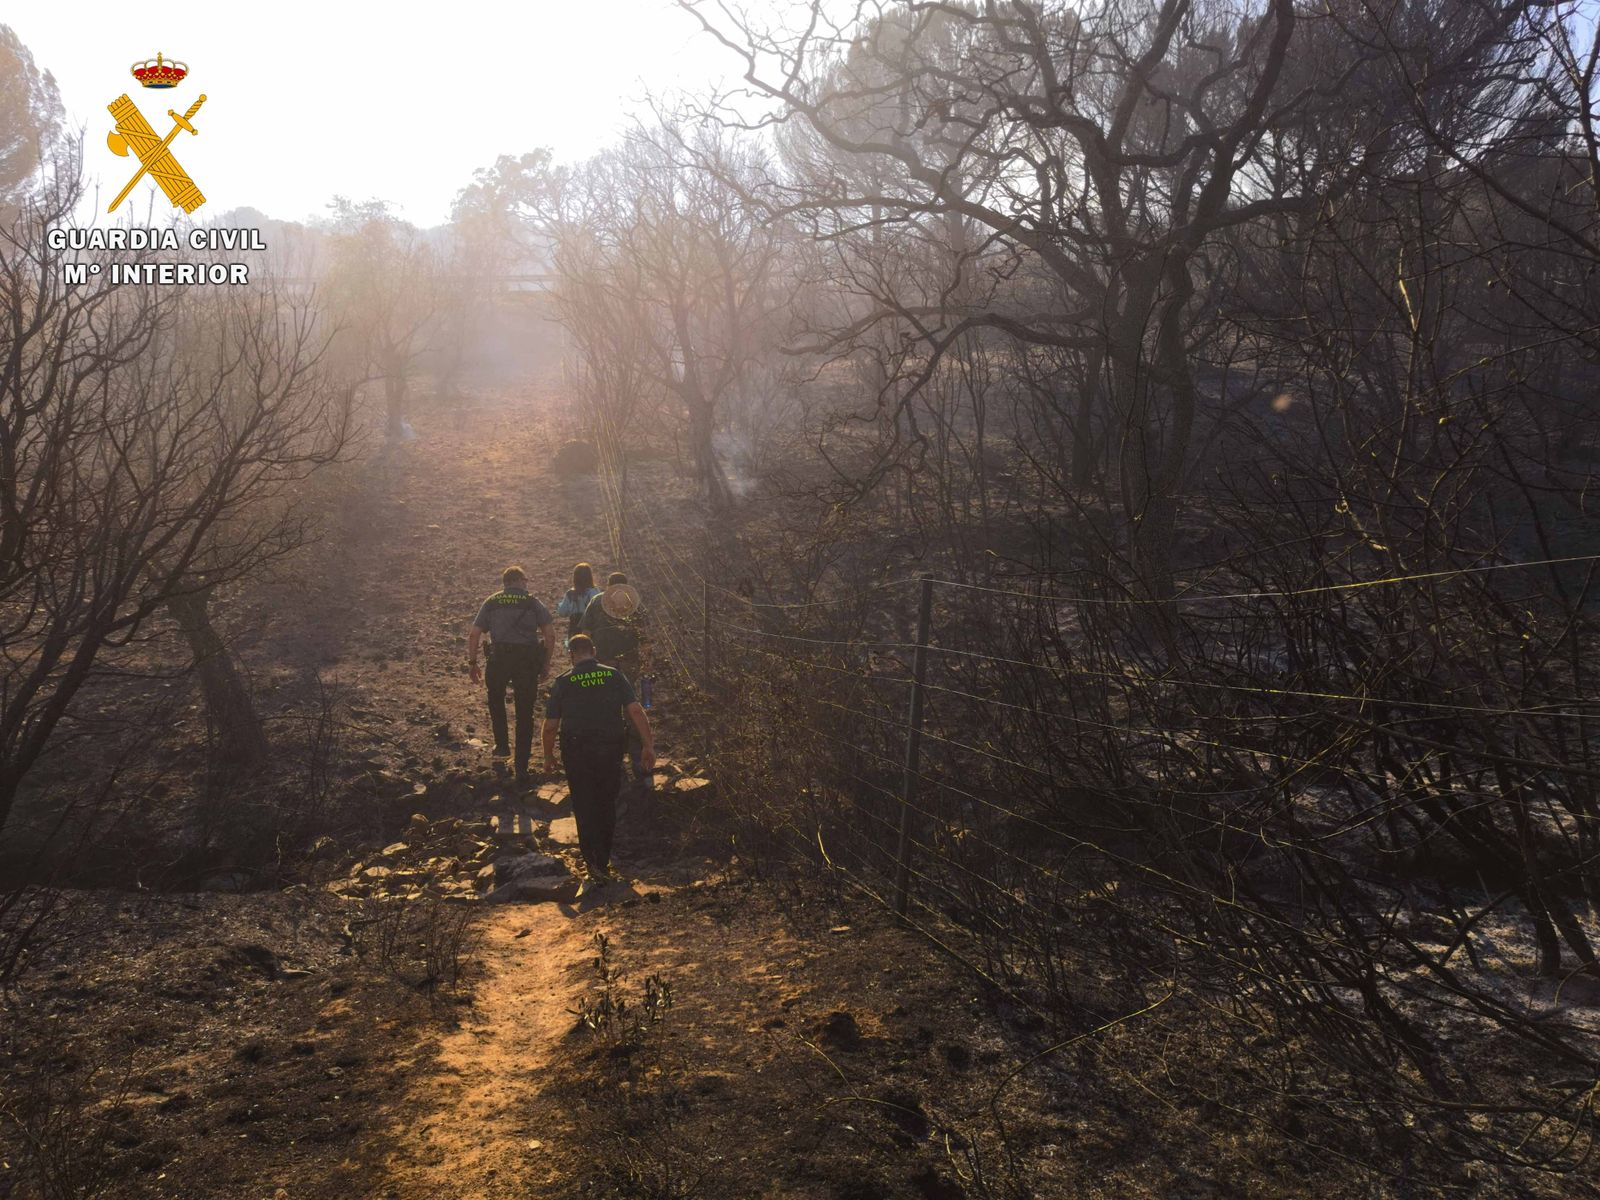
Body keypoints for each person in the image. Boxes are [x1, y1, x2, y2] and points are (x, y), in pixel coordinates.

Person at [542, 633, 655, 896]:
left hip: (577, 750)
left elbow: (550, 726)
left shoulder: (564, 682)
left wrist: (548, 756)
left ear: (571, 654)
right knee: (606, 802)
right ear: (594, 650)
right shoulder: (614, 676)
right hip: (610, 748)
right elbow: (636, 710)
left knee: (584, 804)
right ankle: (603, 859)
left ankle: (592, 863)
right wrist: (648, 745)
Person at [468, 566, 556, 785]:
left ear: (505, 583)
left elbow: (474, 633)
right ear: (519, 580)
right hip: (526, 662)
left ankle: (502, 746)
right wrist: (545, 664)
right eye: (525, 580)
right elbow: (550, 635)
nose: (526, 584)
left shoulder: (492, 601)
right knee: (525, 713)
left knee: (496, 701)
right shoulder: (533, 601)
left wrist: (472, 662)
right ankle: (522, 765)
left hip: (498, 659)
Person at [579, 572, 653, 784]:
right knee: (632, 709)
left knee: (606, 709)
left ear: (608, 587)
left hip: (602, 665)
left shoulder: (596, 602)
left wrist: (584, 660)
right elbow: (645, 637)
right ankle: (639, 761)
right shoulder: (636, 605)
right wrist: (647, 663)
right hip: (630, 663)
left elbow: (585, 633)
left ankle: (611, 760)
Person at [555, 562, 602, 652]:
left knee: (576, 652)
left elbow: (562, 612)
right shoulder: (595, 592)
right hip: (591, 628)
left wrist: (560, 605)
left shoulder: (570, 594)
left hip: (575, 627)